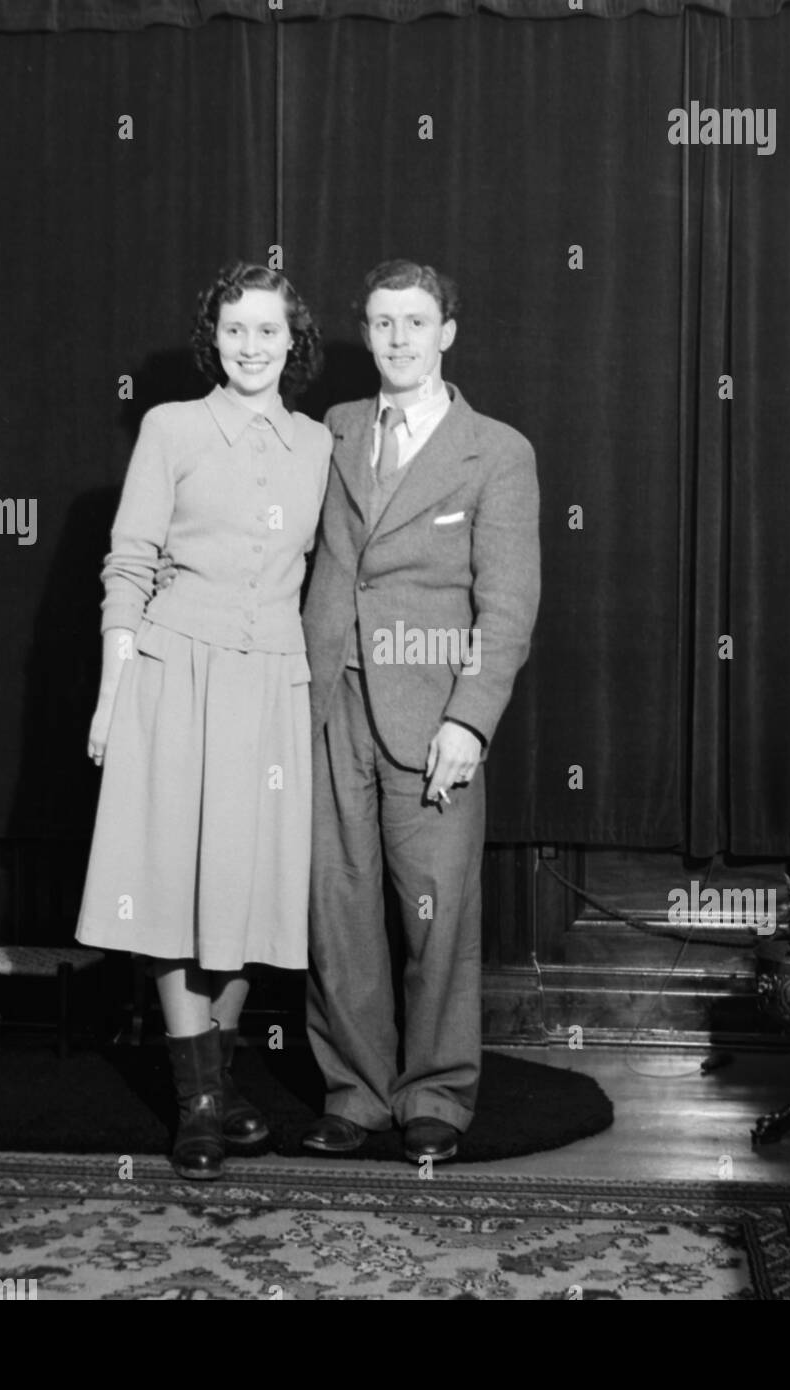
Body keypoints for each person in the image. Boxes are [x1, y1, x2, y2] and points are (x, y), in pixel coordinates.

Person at [75, 263, 330, 1180]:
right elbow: (128, 564)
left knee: (245, 887)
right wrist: (111, 695)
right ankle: (202, 1107)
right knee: (176, 891)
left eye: (269, 331)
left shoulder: (318, 445)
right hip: (174, 675)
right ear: (213, 340)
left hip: (271, 685)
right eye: (235, 332)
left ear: (293, 341)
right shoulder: (172, 428)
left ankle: (214, 1085)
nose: (252, 347)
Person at [301, 259, 540, 1164]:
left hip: (433, 712)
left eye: (416, 321)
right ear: (364, 334)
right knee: (339, 905)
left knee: (434, 912)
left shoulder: (498, 452)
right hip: (330, 703)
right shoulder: (329, 432)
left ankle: (436, 1093)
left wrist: (470, 721)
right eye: (381, 322)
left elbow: (508, 606)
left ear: (447, 332)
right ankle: (354, 1094)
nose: (398, 338)